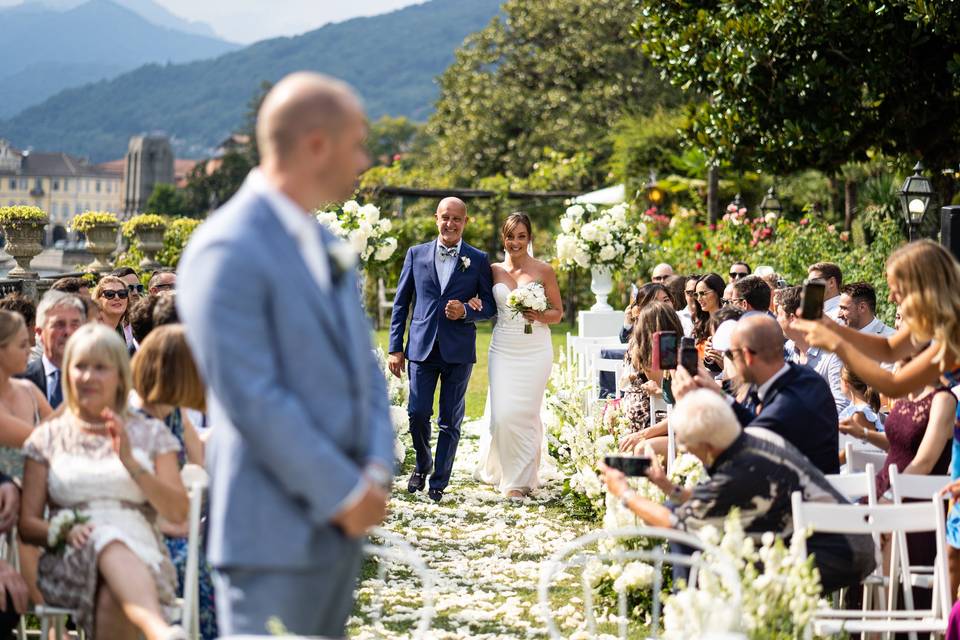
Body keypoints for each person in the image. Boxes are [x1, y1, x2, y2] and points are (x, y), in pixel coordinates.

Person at [177, 72, 395, 638]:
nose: (364, 159)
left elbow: (364, 370)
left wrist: (375, 468)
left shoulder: (324, 243)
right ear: (316, 145)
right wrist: (344, 492)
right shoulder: (227, 248)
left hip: (340, 531)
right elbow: (251, 396)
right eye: (356, 143)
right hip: (269, 537)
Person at [600, 389, 876, 593]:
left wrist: (624, 493)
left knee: (702, 541)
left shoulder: (740, 471)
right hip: (823, 542)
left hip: (837, 555)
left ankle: (692, 614)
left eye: (686, 444)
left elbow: (675, 524)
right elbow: (706, 503)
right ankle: (690, 615)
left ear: (707, 445)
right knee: (699, 530)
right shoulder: (750, 441)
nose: (683, 449)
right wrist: (667, 487)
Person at [20, 323, 189, 640]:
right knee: (105, 545)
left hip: (142, 556)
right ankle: (160, 631)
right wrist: (64, 531)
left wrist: (129, 461)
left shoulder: (149, 433)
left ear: (120, 376)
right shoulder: (47, 437)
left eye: (100, 368)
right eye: (80, 366)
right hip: (69, 557)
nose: (88, 377)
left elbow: (179, 512)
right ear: (68, 372)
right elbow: (27, 525)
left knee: (112, 594)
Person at [388, 196, 496, 503]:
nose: (450, 224)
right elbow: (401, 303)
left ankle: (439, 481)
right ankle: (423, 464)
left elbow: (488, 305)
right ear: (436, 218)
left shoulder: (477, 259)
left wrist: (465, 310)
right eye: (445, 218)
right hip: (421, 347)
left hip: (458, 350)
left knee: (450, 419)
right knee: (417, 413)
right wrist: (396, 348)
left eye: (456, 219)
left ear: (465, 222)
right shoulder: (416, 254)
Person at [674, 314, 841, 474]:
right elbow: (756, 425)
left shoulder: (784, 407)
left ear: (747, 356)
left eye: (731, 354)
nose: (729, 362)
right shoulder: (805, 376)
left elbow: (738, 458)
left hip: (796, 498)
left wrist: (688, 408)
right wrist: (718, 393)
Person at [131, 325, 215, 639]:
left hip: (176, 522)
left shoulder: (174, 410)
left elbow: (201, 456)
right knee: (192, 558)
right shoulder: (136, 416)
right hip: (144, 529)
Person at [796, 240, 960, 398]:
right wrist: (832, 328)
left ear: (925, 289)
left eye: (898, 291)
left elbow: (895, 386)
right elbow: (889, 349)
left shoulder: (954, 332)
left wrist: (837, 345)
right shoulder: (930, 321)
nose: (891, 298)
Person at [473, 213, 562, 498]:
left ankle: (519, 481)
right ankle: (501, 467)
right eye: (510, 236)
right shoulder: (493, 270)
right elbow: (485, 304)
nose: (515, 242)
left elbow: (558, 314)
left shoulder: (544, 271)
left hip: (535, 349)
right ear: (504, 238)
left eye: (521, 236)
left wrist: (538, 314)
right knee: (501, 416)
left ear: (529, 238)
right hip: (503, 348)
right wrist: (473, 303)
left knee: (526, 414)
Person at [616, 302, 684, 458]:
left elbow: (685, 412)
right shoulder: (651, 358)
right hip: (672, 425)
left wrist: (643, 434)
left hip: (694, 432)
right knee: (627, 449)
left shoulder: (682, 357)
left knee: (641, 449)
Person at [777, 286, 847, 413]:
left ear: (792, 318)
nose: (776, 319)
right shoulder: (787, 350)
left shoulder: (833, 355)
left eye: (779, 314)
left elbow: (842, 405)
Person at [0, 311, 51, 479]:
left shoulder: (28, 388)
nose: (29, 351)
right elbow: (40, 440)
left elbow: (59, 426)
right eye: (22, 345)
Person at [20, 291, 86, 409]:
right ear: (39, 333)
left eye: (75, 324)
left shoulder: (101, 379)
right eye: (59, 325)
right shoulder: (20, 380)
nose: (68, 332)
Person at [837, 366, 885, 450]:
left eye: (839, 380)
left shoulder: (859, 415)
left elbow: (857, 451)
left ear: (846, 383)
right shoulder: (863, 410)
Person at [692, 273, 724, 349]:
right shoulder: (700, 325)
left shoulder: (728, 322)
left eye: (703, 293)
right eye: (696, 295)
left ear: (717, 291)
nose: (699, 299)